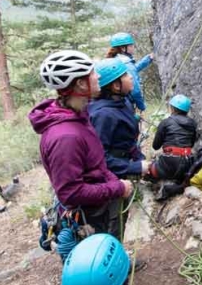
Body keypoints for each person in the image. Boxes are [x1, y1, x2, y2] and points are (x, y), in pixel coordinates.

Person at [28, 50, 143, 271]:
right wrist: (117, 187)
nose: (98, 76)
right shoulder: (66, 137)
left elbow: (97, 159)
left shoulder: (79, 114)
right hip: (89, 213)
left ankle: (116, 266)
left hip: (99, 201)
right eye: (92, 73)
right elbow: (70, 193)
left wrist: (115, 183)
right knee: (95, 267)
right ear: (81, 85)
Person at [88, 58, 150, 241]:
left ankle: (117, 260)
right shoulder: (102, 115)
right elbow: (100, 158)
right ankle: (112, 264)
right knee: (113, 222)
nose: (131, 77)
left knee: (120, 217)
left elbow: (126, 140)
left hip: (121, 166)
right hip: (110, 175)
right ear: (115, 86)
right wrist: (135, 168)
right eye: (126, 75)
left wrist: (138, 158)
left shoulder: (122, 103)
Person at [147, 94, 199, 200]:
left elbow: (155, 146)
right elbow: (192, 144)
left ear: (172, 108)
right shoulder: (193, 124)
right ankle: (177, 183)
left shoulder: (166, 122)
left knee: (147, 170)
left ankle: (159, 185)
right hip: (187, 164)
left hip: (168, 163)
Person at [106, 32, 153, 114]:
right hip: (126, 103)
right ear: (123, 48)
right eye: (131, 45)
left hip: (116, 102)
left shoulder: (115, 60)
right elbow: (135, 90)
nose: (133, 47)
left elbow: (132, 69)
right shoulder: (127, 63)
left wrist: (147, 60)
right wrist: (141, 106)